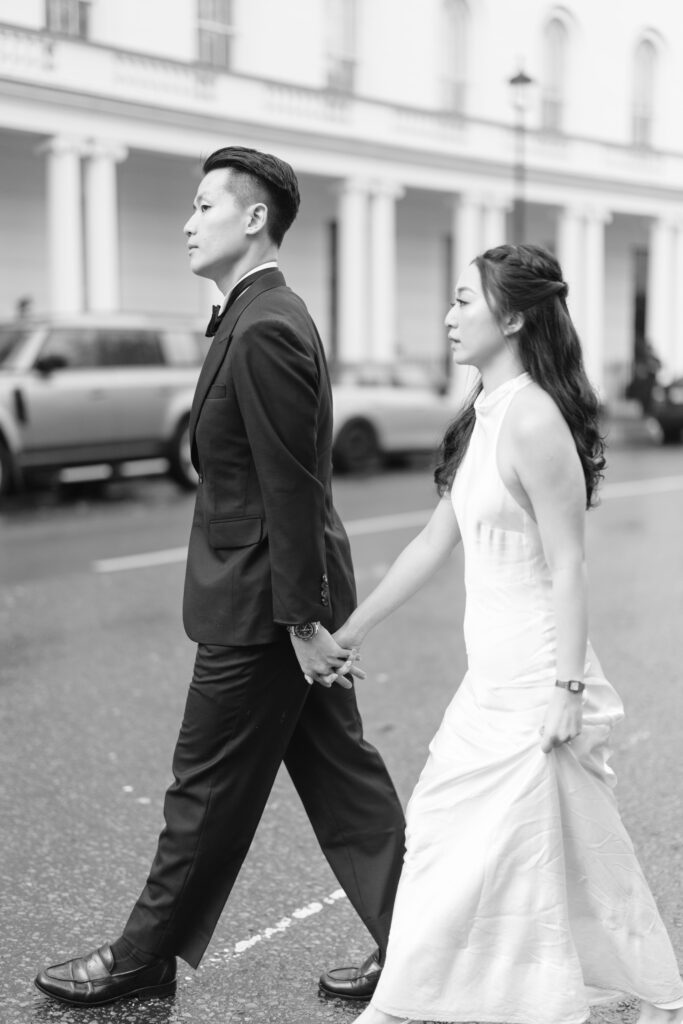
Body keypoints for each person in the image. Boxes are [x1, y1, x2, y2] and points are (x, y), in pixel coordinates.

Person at [34, 146, 405, 1007]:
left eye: (205, 206)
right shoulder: (255, 314)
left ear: (254, 218)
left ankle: (142, 955)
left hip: (266, 604)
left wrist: (301, 623)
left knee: (202, 787)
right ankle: (419, 941)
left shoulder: (266, 324)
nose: (188, 223)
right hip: (281, 593)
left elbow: (290, 486)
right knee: (342, 778)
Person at [335, 244, 683, 1024]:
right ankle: (579, 993)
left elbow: (568, 565)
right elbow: (434, 540)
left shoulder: (532, 420)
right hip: (489, 677)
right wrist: (350, 630)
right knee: (511, 845)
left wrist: (566, 690)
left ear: (515, 316)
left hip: (534, 676)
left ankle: (413, 1007)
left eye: (464, 301)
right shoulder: (486, 415)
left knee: (514, 847)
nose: (448, 317)